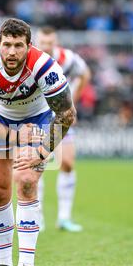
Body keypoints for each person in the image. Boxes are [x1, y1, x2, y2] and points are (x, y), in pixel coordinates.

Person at [0, 18, 76, 266]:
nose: (12, 52)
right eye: (8, 45)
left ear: (29, 46)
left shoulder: (45, 67)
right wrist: (13, 135)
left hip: (35, 120)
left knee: (26, 182)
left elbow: (67, 113)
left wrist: (43, 151)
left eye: (19, 46)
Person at [35, 26, 92, 233]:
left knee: (67, 162)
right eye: (43, 42)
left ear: (55, 42)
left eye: (50, 43)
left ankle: (64, 218)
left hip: (60, 117)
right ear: (37, 42)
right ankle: (37, 218)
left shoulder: (67, 59)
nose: (47, 46)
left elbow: (85, 74)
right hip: (38, 118)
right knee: (37, 165)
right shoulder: (31, 59)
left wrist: (71, 104)